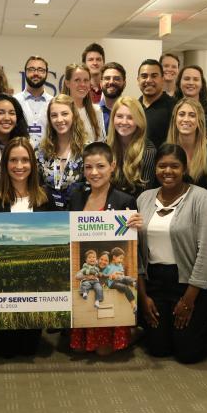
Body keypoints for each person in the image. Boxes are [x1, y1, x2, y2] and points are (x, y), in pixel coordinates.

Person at [137, 144, 207, 364]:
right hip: (155, 282)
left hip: (190, 282)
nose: (168, 171)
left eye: (174, 166)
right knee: (159, 349)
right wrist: (143, 296)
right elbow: (134, 250)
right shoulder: (144, 199)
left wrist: (189, 299)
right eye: (162, 165)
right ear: (155, 168)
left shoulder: (201, 198)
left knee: (187, 353)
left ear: (184, 168)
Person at [0, 137, 56, 357]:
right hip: (2, 283)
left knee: (29, 349)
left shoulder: (45, 197)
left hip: (35, 284)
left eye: (25, 160)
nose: (19, 166)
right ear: (5, 165)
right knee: (7, 351)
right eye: (13, 160)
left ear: (32, 163)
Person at [68, 142, 142, 355]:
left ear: (113, 166)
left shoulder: (125, 201)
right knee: (83, 349)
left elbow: (136, 247)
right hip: (88, 272)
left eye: (100, 166)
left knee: (104, 351)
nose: (94, 172)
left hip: (110, 273)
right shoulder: (76, 198)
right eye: (88, 167)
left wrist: (138, 226)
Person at [36, 94, 87, 209]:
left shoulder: (87, 151)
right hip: (47, 217)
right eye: (54, 115)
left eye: (64, 114)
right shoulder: (40, 151)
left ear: (74, 115)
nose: (59, 120)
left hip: (79, 217)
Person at [107, 96, 156, 197]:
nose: (124, 122)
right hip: (108, 209)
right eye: (119, 116)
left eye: (130, 117)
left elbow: (144, 195)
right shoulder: (104, 148)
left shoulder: (148, 151)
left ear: (139, 121)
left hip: (135, 209)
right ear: (113, 118)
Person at [165, 97, 207, 186]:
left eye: (192, 115)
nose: (186, 119)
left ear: (199, 121)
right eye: (181, 114)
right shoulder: (165, 150)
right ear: (175, 119)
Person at [14, 55, 53, 149]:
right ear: (25, 72)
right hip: (21, 156)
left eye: (40, 70)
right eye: (31, 69)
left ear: (46, 73)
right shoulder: (14, 101)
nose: (36, 73)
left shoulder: (53, 103)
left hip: (48, 158)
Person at [137, 59, 175, 148]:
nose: (149, 80)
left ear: (162, 80)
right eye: (144, 76)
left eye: (154, 76)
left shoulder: (175, 108)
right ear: (138, 80)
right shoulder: (133, 108)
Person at [62, 63, 104, 143]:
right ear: (67, 83)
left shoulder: (97, 111)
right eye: (77, 80)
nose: (82, 84)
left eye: (86, 80)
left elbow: (100, 142)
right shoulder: (57, 110)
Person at [176, 65, 207, 131]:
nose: (191, 83)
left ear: (202, 84)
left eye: (196, 79)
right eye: (187, 79)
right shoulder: (170, 108)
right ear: (179, 83)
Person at [103, 247, 137, 311]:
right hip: (112, 283)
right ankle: (133, 305)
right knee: (125, 287)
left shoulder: (120, 265)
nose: (121, 260)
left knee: (127, 277)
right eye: (120, 258)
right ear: (114, 257)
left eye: (122, 259)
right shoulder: (108, 267)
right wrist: (111, 277)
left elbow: (122, 274)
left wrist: (120, 275)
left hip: (120, 280)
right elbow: (104, 277)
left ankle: (134, 283)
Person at [98, 62, 126, 131]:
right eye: (107, 78)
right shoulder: (93, 113)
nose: (111, 82)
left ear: (124, 83)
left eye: (116, 79)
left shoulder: (132, 112)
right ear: (101, 84)